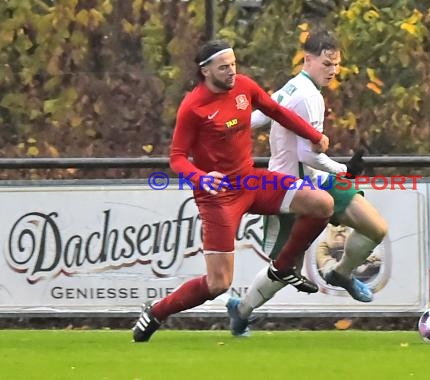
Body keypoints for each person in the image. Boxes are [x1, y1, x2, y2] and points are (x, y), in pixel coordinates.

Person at [132, 39, 335, 342]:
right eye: (224, 67)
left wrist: (313, 135)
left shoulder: (243, 86)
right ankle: (157, 312)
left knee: (322, 204)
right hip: (218, 197)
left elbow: (276, 111)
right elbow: (176, 158)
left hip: (251, 181)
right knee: (218, 284)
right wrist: (201, 178)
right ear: (205, 71)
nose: (231, 72)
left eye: (234, 64)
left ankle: (282, 267)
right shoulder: (193, 107)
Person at [226, 30, 388, 336]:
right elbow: (307, 154)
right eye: (327, 63)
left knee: (375, 227)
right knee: (287, 269)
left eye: (336, 64)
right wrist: (343, 170)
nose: (333, 70)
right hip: (291, 190)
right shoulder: (308, 95)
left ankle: (341, 273)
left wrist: (227, 127)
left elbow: (259, 117)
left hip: (318, 182)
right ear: (308, 59)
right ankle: (241, 309)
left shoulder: (293, 87)